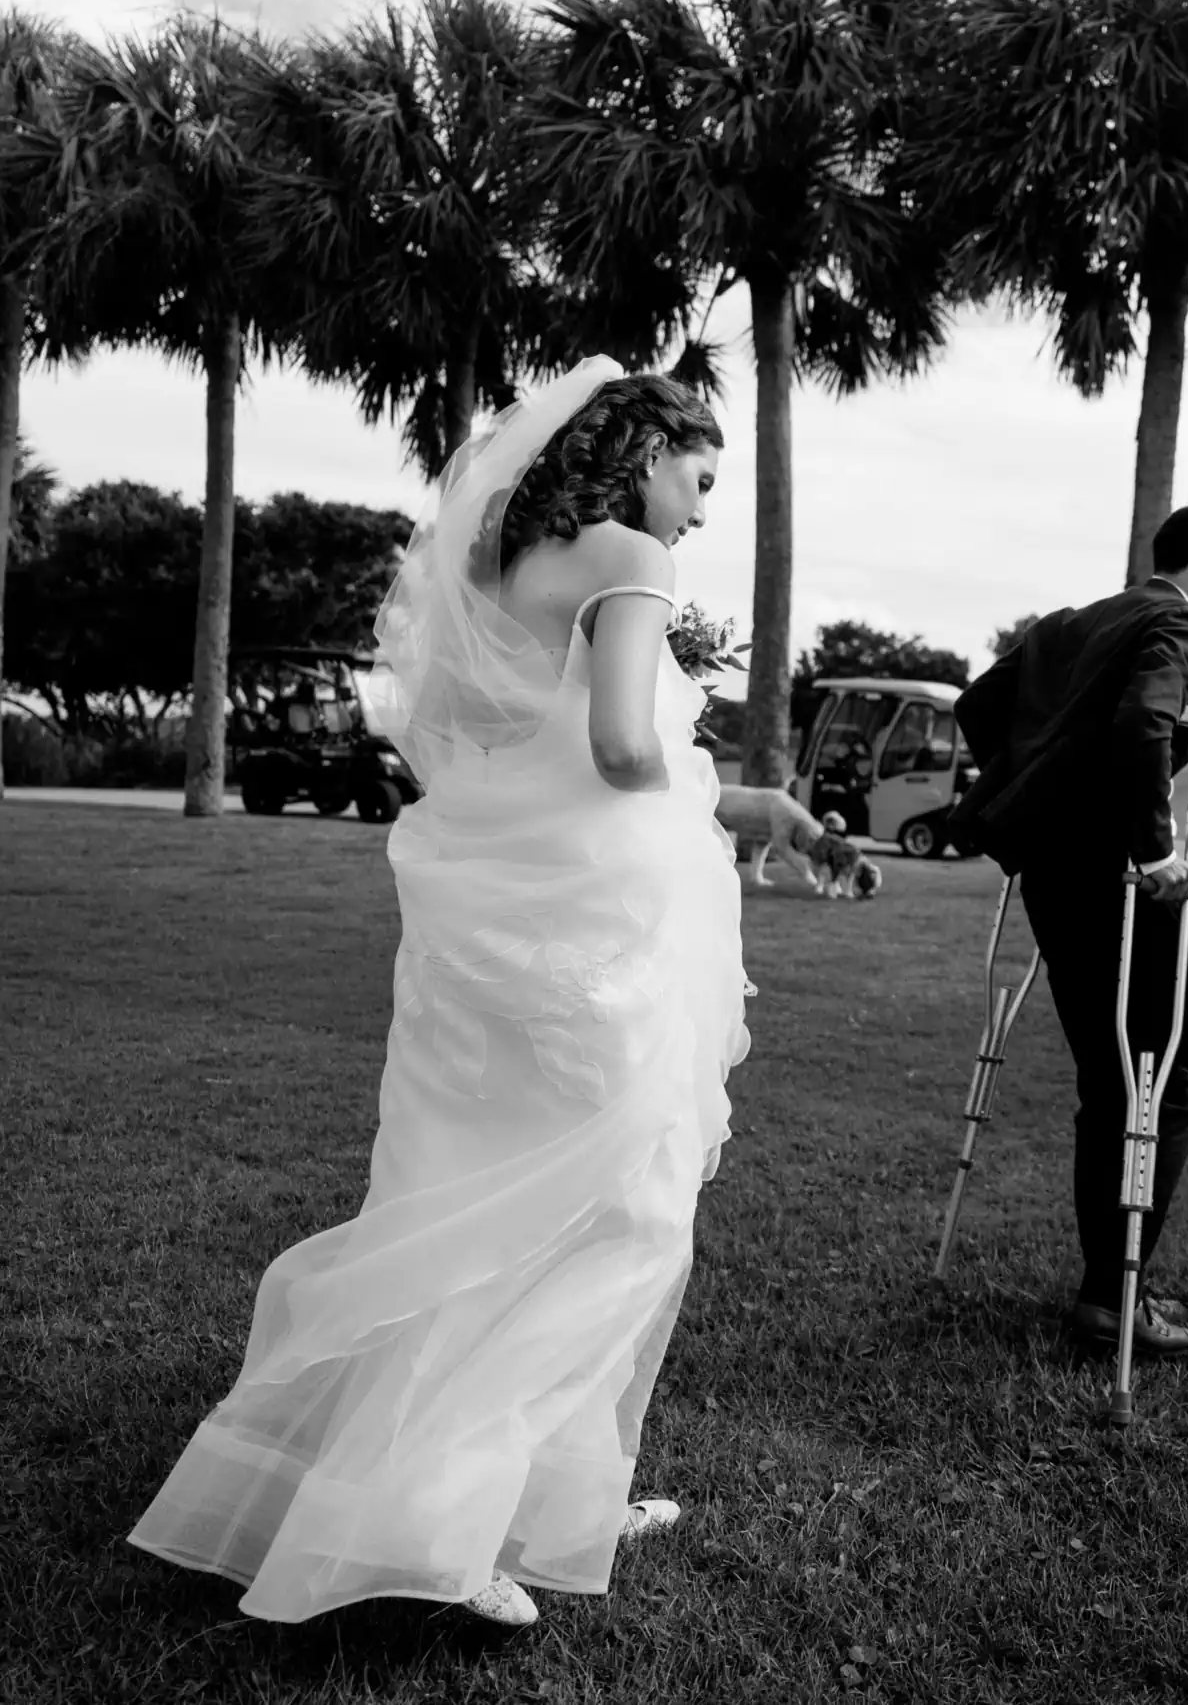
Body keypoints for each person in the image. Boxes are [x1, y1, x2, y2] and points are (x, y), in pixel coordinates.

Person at [127, 361, 750, 1629]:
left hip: (487, 927)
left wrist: (740, 804)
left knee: (485, 1204)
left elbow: (492, 747)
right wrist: (688, 800)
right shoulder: (633, 558)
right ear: (643, 451)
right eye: (698, 476)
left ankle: (548, 1497)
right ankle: (441, 1523)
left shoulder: (497, 573)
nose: (700, 508)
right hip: (592, 937)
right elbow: (626, 748)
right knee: (623, 1219)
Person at [951, 501, 1188, 1362]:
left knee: (1109, 1073)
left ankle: (1105, 1284)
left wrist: (1041, 785)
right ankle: (1110, 1293)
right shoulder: (1183, 620)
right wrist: (1154, 852)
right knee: (1174, 1070)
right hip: (1119, 878)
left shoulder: (1070, 622)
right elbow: (1143, 720)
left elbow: (982, 706)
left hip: (1048, 872)